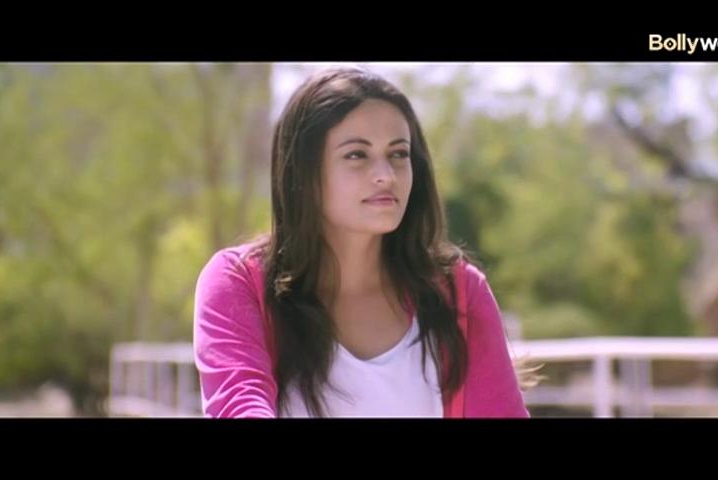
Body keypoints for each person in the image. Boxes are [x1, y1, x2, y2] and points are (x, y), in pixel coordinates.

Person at [193, 66, 531, 418]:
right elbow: (239, 406)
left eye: (398, 154)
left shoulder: (458, 292)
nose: (385, 175)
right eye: (357, 154)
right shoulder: (238, 282)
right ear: (303, 172)